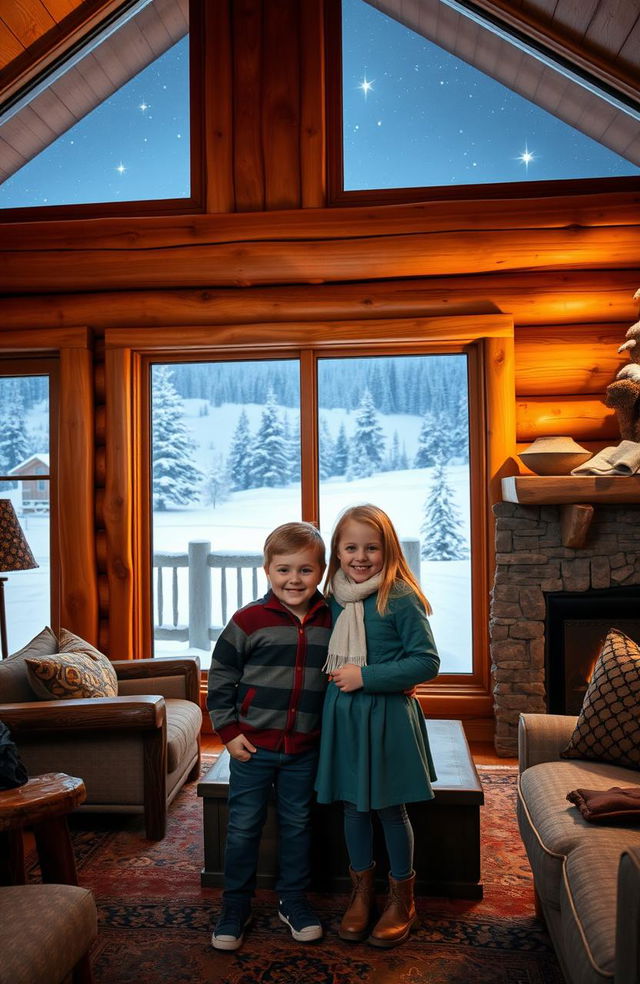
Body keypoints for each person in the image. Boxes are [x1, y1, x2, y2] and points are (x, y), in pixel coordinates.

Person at [314, 503, 440, 949]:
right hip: (344, 718)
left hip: (386, 718)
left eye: (371, 547)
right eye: (351, 547)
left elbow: (427, 661)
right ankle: (362, 894)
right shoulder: (332, 597)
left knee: (390, 809)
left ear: (388, 550)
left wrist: (367, 676)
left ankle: (402, 898)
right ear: (337, 551)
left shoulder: (399, 596)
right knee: (353, 807)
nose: (361, 556)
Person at [207, 521, 332, 952]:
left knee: (298, 824)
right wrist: (227, 731)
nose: (294, 580)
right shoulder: (248, 620)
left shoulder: (333, 619)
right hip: (252, 748)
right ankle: (235, 904)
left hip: (305, 748)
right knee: (243, 827)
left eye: (305, 570)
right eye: (283, 570)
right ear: (267, 570)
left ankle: (293, 899)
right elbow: (221, 679)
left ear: (322, 571)